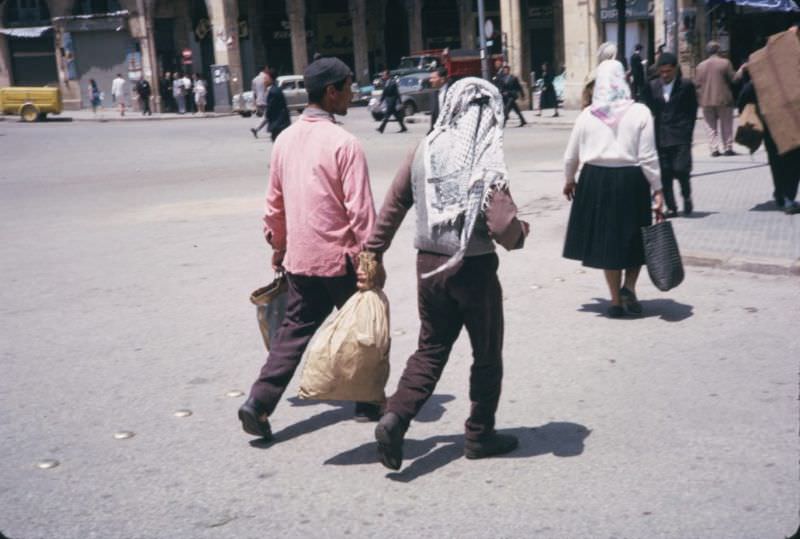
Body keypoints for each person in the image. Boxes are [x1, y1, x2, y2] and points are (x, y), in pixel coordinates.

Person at [364, 77, 530, 471]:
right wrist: (521, 233)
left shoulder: (424, 148)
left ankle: (395, 418)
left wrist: (373, 250)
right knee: (486, 353)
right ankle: (479, 434)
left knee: (431, 348)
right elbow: (505, 228)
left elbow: (394, 204)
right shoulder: (484, 157)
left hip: (428, 267)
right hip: (473, 268)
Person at [238, 57, 381, 441]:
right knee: (363, 329)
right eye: (348, 87)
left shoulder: (284, 139)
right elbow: (361, 211)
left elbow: (274, 204)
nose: (352, 93)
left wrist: (278, 246)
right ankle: (368, 401)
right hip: (341, 260)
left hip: (301, 258)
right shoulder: (345, 143)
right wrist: (370, 260)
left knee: (293, 333)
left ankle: (258, 402)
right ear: (331, 92)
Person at [562, 60, 664, 318]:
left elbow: (570, 156)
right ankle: (629, 287)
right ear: (624, 81)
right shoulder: (640, 112)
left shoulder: (587, 115)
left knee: (609, 243)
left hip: (595, 180)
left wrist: (569, 179)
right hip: (631, 180)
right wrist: (658, 189)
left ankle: (616, 301)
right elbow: (649, 156)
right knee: (634, 239)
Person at [737, 73, 800, 214]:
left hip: (770, 127)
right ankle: (788, 197)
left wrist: (752, 112)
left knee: (776, 162)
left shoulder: (760, 79)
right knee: (793, 163)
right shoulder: (793, 76)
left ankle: (780, 194)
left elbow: (742, 98)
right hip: (792, 127)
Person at [646, 52, 698, 218]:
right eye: (662, 72)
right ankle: (672, 206)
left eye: (668, 71)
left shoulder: (686, 85)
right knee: (665, 174)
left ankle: (686, 196)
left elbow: (692, 110)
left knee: (681, 170)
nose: (665, 75)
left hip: (681, 135)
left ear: (675, 69)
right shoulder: (653, 86)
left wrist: (688, 132)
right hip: (661, 136)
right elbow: (648, 109)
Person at [695, 41, 744, 157]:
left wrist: (700, 98)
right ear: (718, 50)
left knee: (710, 126)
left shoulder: (700, 66)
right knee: (726, 124)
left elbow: (696, 85)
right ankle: (728, 147)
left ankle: (714, 149)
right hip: (724, 99)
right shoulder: (725, 63)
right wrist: (742, 69)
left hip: (706, 100)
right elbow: (734, 79)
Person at [264, 68, 291, 141]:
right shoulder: (276, 89)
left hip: (278, 124)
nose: (264, 80)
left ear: (270, 79)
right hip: (282, 123)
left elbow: (270, 109)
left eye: (266, 78)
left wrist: (267, 115)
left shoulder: (273, 91)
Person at [250, 66, 269, 138]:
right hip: (266, 99)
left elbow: (254, 92)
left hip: (259, 100)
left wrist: (255, 102)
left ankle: (257, 129)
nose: (268, 70)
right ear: (264, 69)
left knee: (266, 116)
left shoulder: (254, 79)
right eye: (267, 68)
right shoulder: (266, 77)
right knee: (267, 116)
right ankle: (256, 129)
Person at [428, 66, 448, 134]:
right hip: (438, 132)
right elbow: (434, 116)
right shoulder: (433, 94)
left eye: (433, 78)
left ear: (442, 79)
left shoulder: (453, 91)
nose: (430, 80)